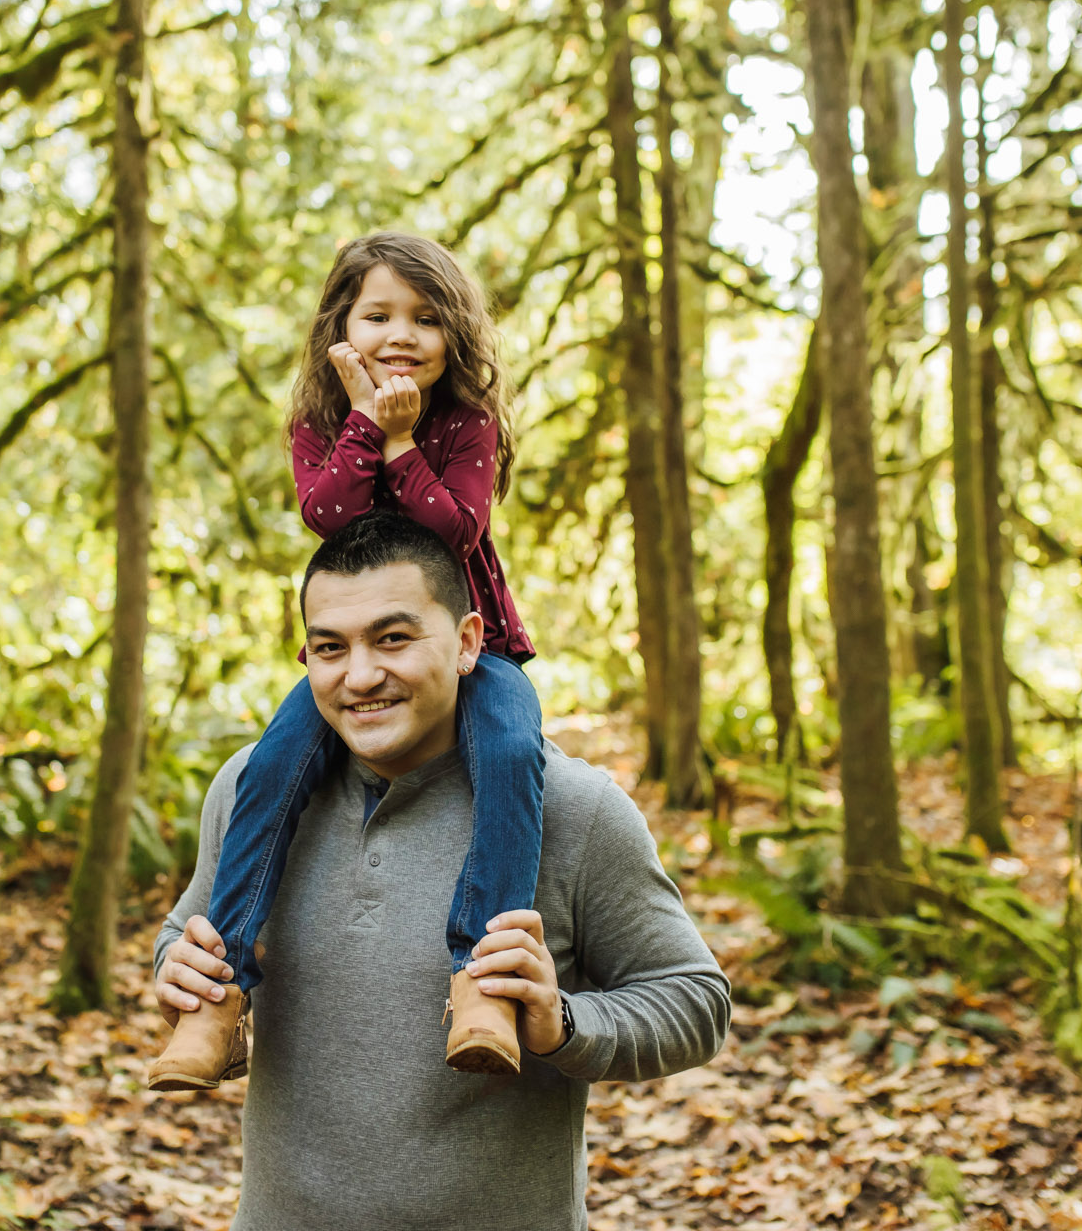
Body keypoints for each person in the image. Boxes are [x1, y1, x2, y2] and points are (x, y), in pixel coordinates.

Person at [151, 513, 731, 1230]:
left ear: (466, 643)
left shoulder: (578, 811)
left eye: (393, 638)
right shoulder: (247, 790)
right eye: (331, 648)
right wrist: (172, 969)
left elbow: (695, 1002)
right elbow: (186, 929)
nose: (360, 676)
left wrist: (563, 1024)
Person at [148, 232, 546, 1088]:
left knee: (513, 751)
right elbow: (329, 514)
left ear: (456, 338)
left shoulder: (466, 424)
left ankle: (482, 980)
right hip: (363, 642)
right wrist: (368, 422)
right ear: (342, 328)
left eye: (425, 318)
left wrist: (405, 444)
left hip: (479, 647)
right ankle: (218, 997)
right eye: (379, 315)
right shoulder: (320, 423)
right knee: (273, 762)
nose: (402, 334)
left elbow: (456, 531)